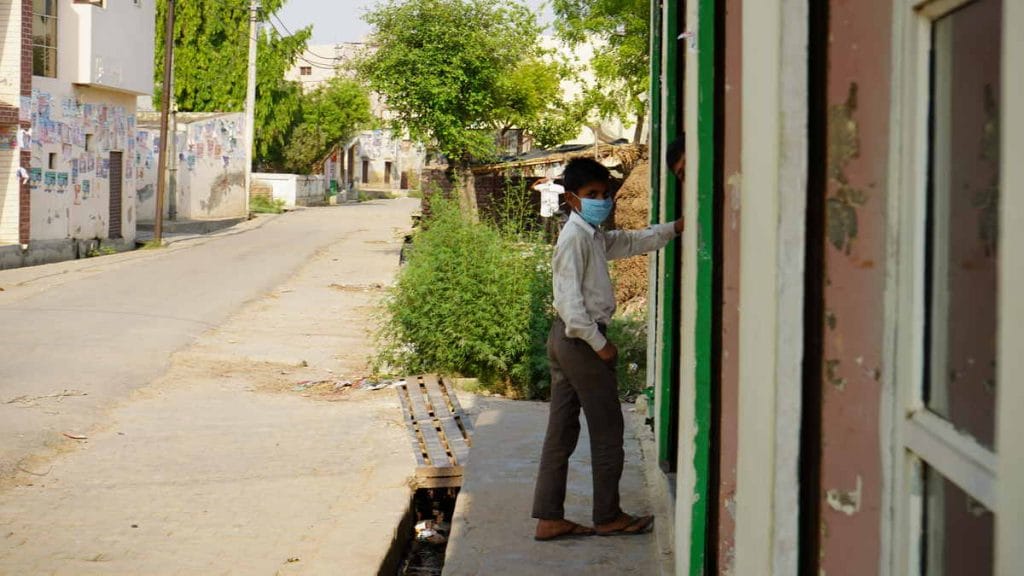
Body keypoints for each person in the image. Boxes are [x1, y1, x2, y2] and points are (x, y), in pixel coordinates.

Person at [531, 155, 684, 541]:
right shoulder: (575, 239)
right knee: (607, 430)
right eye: (591, 194)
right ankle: (608, 515)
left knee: (561, 431)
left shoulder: (593, 235)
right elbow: (571, 308)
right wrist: (601, 346)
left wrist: (675, 229)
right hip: (580, 340)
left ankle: (550, 517)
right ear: (572, 199)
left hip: (568, 340)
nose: (602, 199)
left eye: (605, 193)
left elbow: (629, 241)